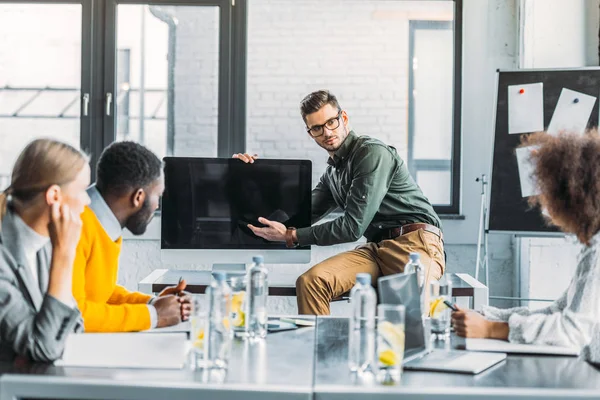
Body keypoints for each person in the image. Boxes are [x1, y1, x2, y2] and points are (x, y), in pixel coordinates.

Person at [234, 90, 445, 315]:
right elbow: (294, 215)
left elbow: (352, 227)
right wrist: (246, 174)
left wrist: (292, 236)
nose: (326, 132)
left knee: (414, 326)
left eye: (331, 122)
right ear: (310, 133)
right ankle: (323, 349)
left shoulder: (370, 153)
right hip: (377, 248)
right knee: (311, 283)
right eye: (317, 128)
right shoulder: (333, 174)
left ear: (343, 118)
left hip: (414, 244)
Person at [452, 131, 600, 350]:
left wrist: (491, 329)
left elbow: (574, 331)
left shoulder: (597, 251)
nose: (544, 205)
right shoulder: (592, 245)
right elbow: (557, 311)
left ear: (572, 196)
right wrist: (487, 316)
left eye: (548, 193)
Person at [72, 141, 190, 332]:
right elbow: (74, 316)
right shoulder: (75, 224)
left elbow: (101, 294)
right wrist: (154, 316)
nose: (157, 206)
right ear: (138, 197)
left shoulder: (102, 222)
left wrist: (154, 303)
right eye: (157, 197)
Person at [0, 139, 90, 362]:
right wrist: (64, 255)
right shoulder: (56, 247)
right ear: (54, 196)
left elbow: (75, 327)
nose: (87, 201)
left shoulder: (44, 242)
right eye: (83, 190)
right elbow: (44, 349)